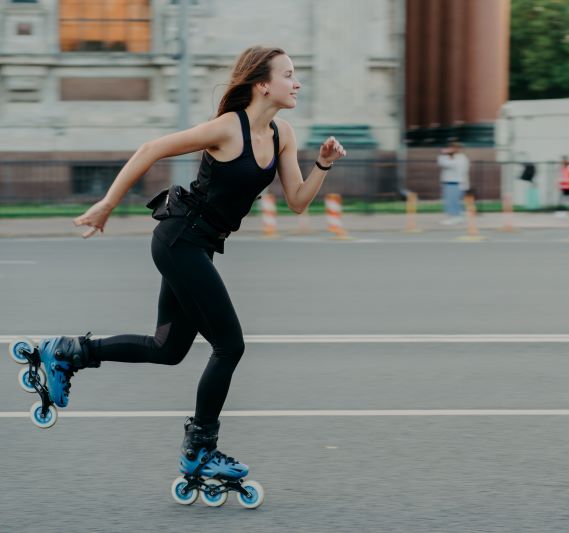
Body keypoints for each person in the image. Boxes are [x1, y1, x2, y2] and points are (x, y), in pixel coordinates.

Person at [33, 47, 346, 488]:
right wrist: (107, 204)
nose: (297, 83)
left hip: (199, 245)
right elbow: (151, 149)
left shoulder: (282, 135)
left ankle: (68, 353)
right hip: (180, 238)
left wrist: (324, 165)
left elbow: (296, 202)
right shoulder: (226, 128)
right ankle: (200, 450)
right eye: (289, 75)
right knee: (230, 345)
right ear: (262, 84)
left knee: (168, 348)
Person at [437, 141, 470, 224]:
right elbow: (441, 163)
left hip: (456, 182)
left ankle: (456, 217)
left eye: (450, 148)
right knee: (450, 200)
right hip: (450, 182)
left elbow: (448, 164)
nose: (447, 150)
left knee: (453, 201)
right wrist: (444, 155)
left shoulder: (460, 158)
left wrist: (443, 154)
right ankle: (457, 216)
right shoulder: (451, 157)